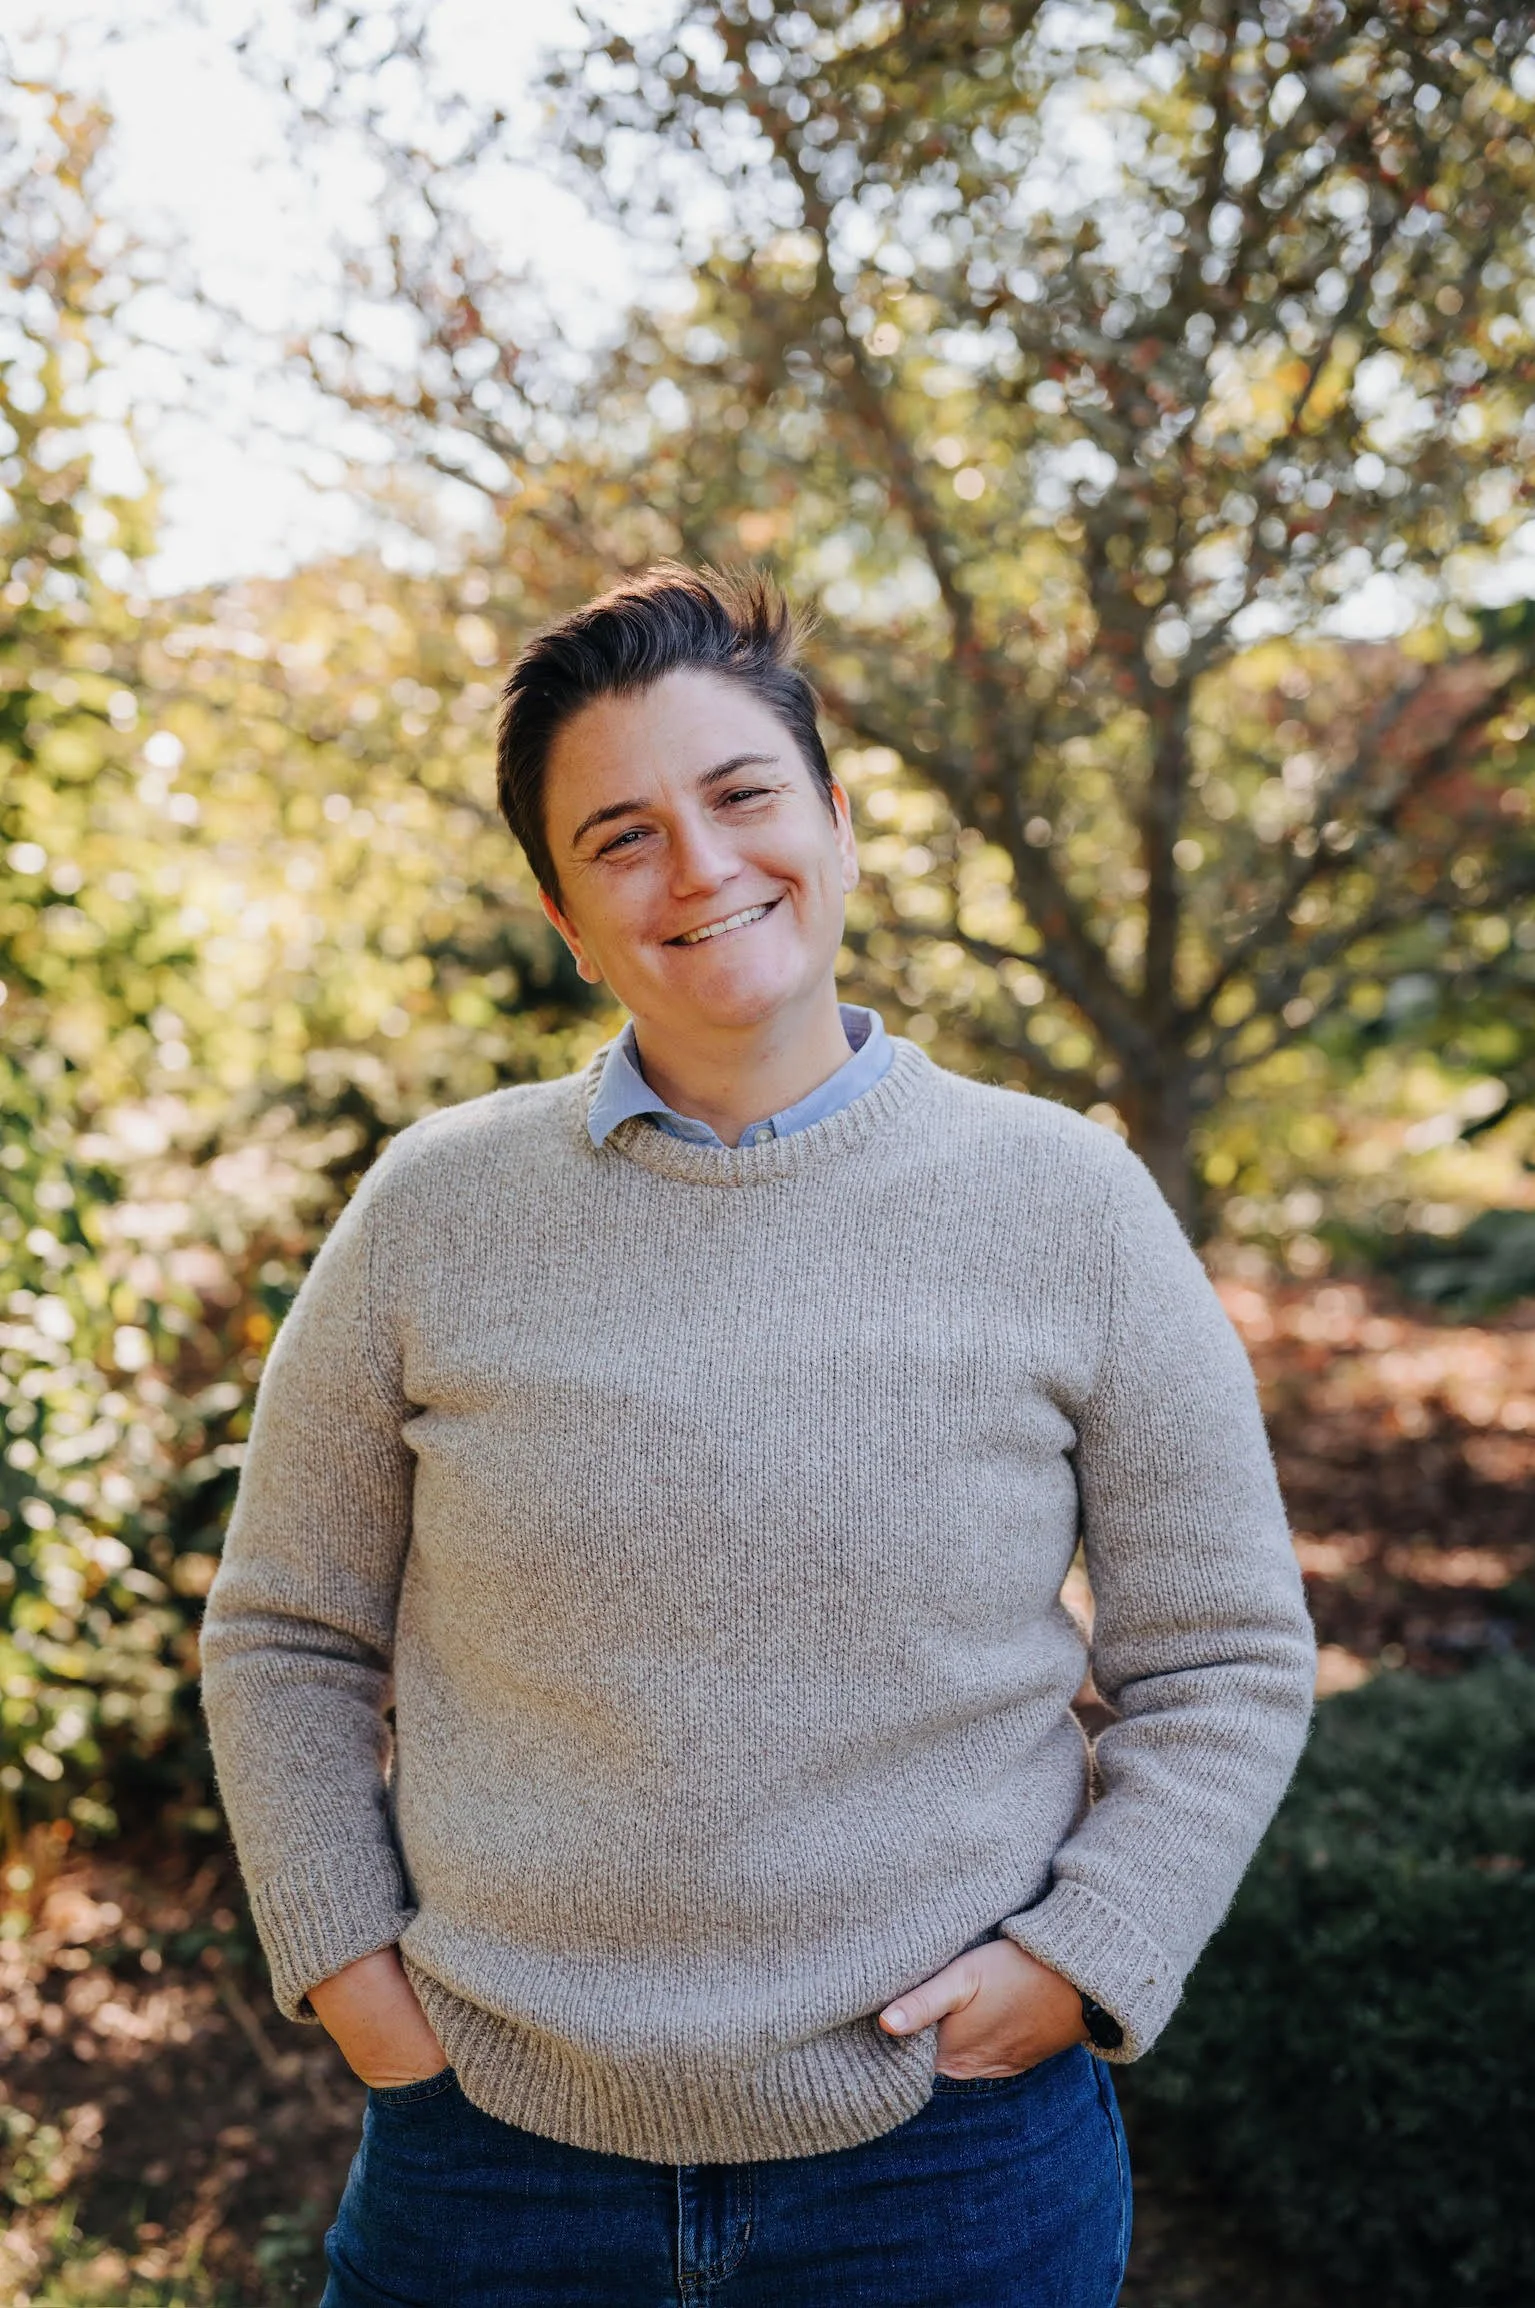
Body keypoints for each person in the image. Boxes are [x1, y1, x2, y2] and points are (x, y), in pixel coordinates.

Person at [200, 563, 1318, 2308]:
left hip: (946, 2166)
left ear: (836, 822)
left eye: (740, 798)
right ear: (569, 921)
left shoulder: (1068, 1203)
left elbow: (1229, 1655)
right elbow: (284, 1634)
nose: (702, 870)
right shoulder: (433, 1209)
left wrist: (1083, 1953)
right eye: (622, 837)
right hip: (493, 2159)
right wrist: (347, 1968)